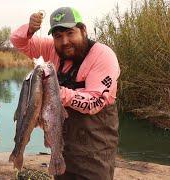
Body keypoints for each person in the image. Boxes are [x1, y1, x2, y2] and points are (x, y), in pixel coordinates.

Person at [10, 7, 120, 180]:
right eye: (58, 36)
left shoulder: (103, 55)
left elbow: (94, 103)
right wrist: (30, 30)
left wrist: (55, 93)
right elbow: (17, 41)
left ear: (83, 30)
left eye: (70, 33)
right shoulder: (53, 50)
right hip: (61, 146)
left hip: (96, 151)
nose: (65, 41)